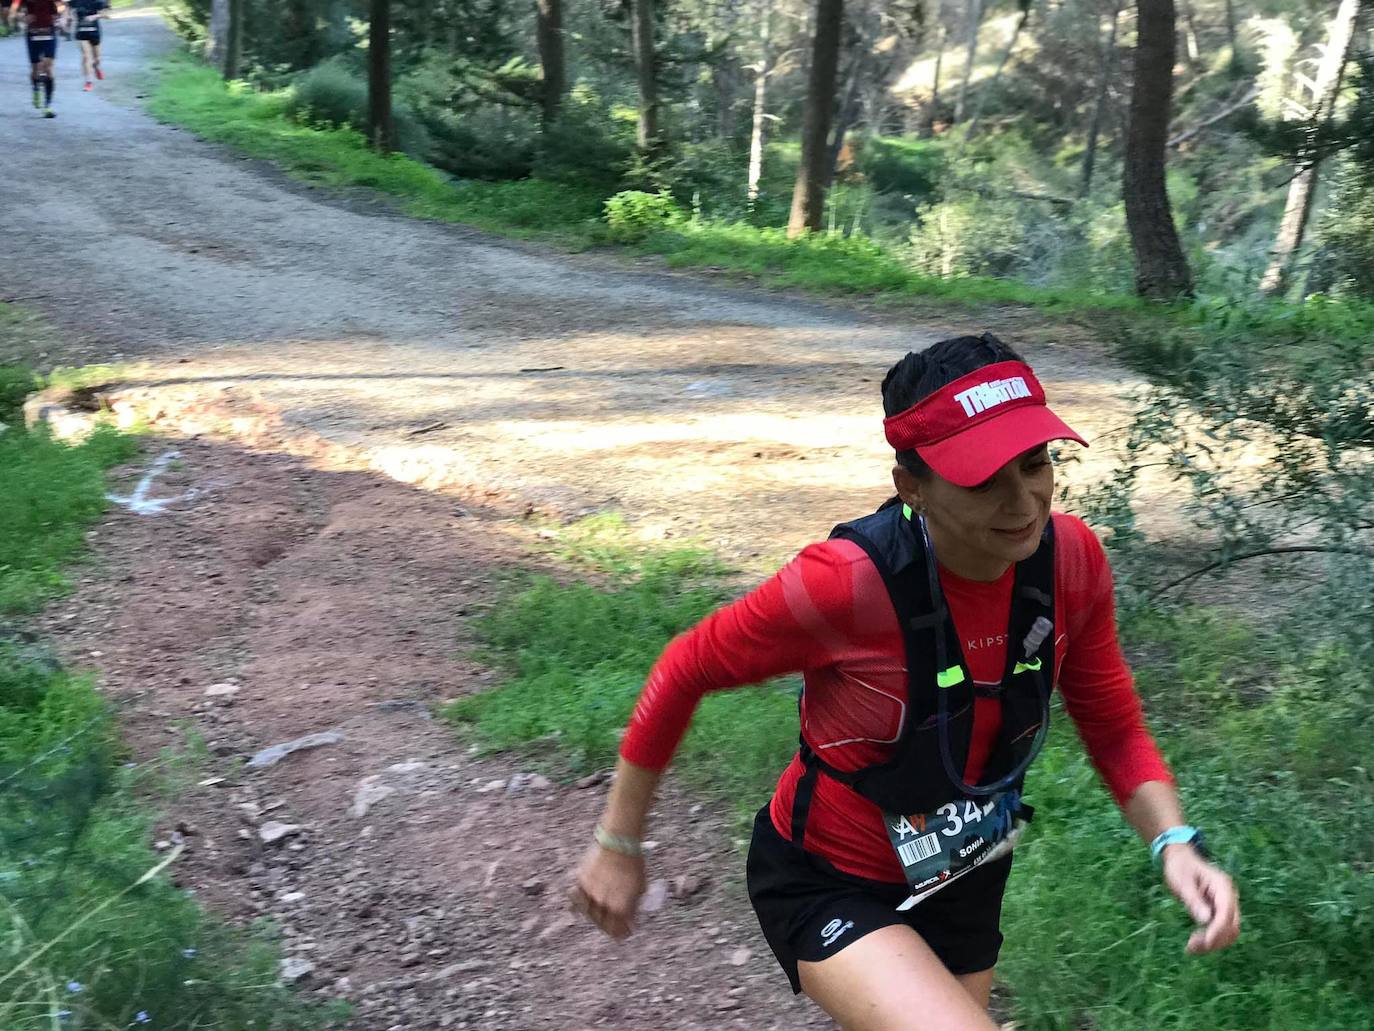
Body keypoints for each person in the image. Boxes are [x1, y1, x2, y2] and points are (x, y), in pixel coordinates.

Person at [570, 334, 1241, 1029]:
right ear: (911, 487)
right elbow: (686, 667)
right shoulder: (845, 584)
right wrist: (618, 842)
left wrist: (1175, 843)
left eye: (1036, 462)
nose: (1024, 501)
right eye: (984, 478)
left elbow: (1113, 721)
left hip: (966, 873)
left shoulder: (1070, 561)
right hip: (829, 877)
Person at [7, 0, 64, 117]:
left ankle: (48, 106)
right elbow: (13, 10)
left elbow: (62, 6)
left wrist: (60, 17)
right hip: (33, 34)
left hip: (49, 33)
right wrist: (22, 18)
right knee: (35, 69)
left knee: (48, 69)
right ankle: (36, 89)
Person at [66, 0, 106, 91]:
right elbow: (68, 10)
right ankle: (89, 82)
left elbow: (106, 14)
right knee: (86, 56)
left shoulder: (97, 1)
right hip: (81, 32)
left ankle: (96, 66)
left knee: (97, 59)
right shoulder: (75, 1)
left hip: (94, 32)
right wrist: (68, 17)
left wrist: (95, 16)